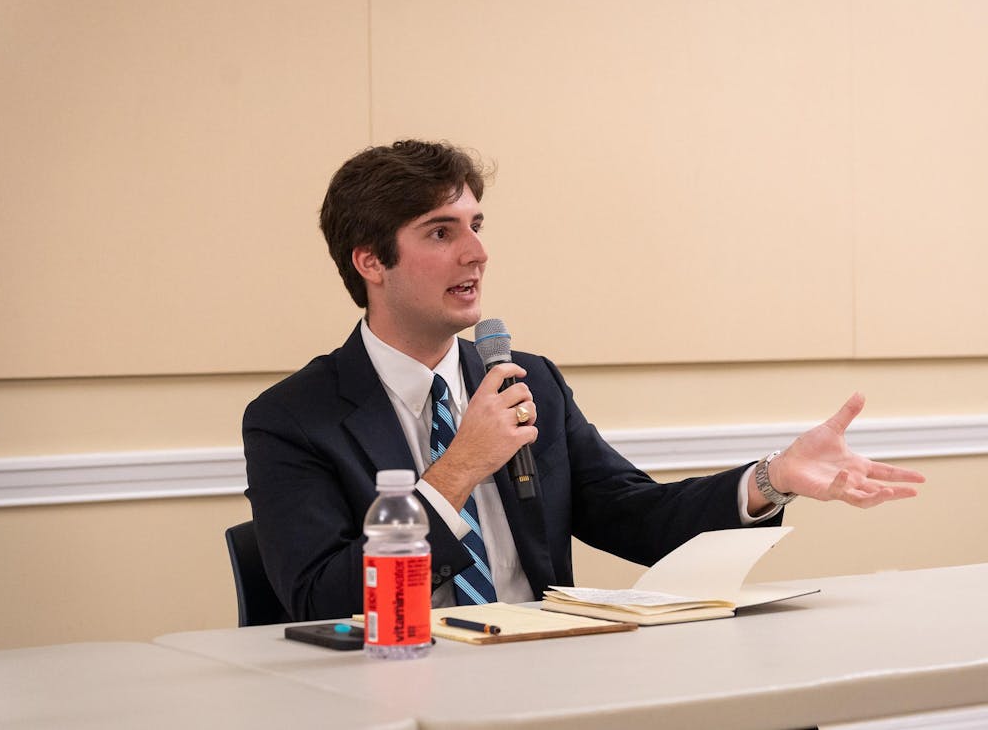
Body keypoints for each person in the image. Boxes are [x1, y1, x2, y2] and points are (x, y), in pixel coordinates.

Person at [242, 139, 924, 621]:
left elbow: (637, 518)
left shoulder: (528, 381)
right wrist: (459, 469)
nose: (477, 252)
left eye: (476, 225)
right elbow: (324, 598)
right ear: (370, 262)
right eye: (441, 233)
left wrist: (771, 478)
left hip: (548, 679)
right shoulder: (292, 419)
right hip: (398, 685)